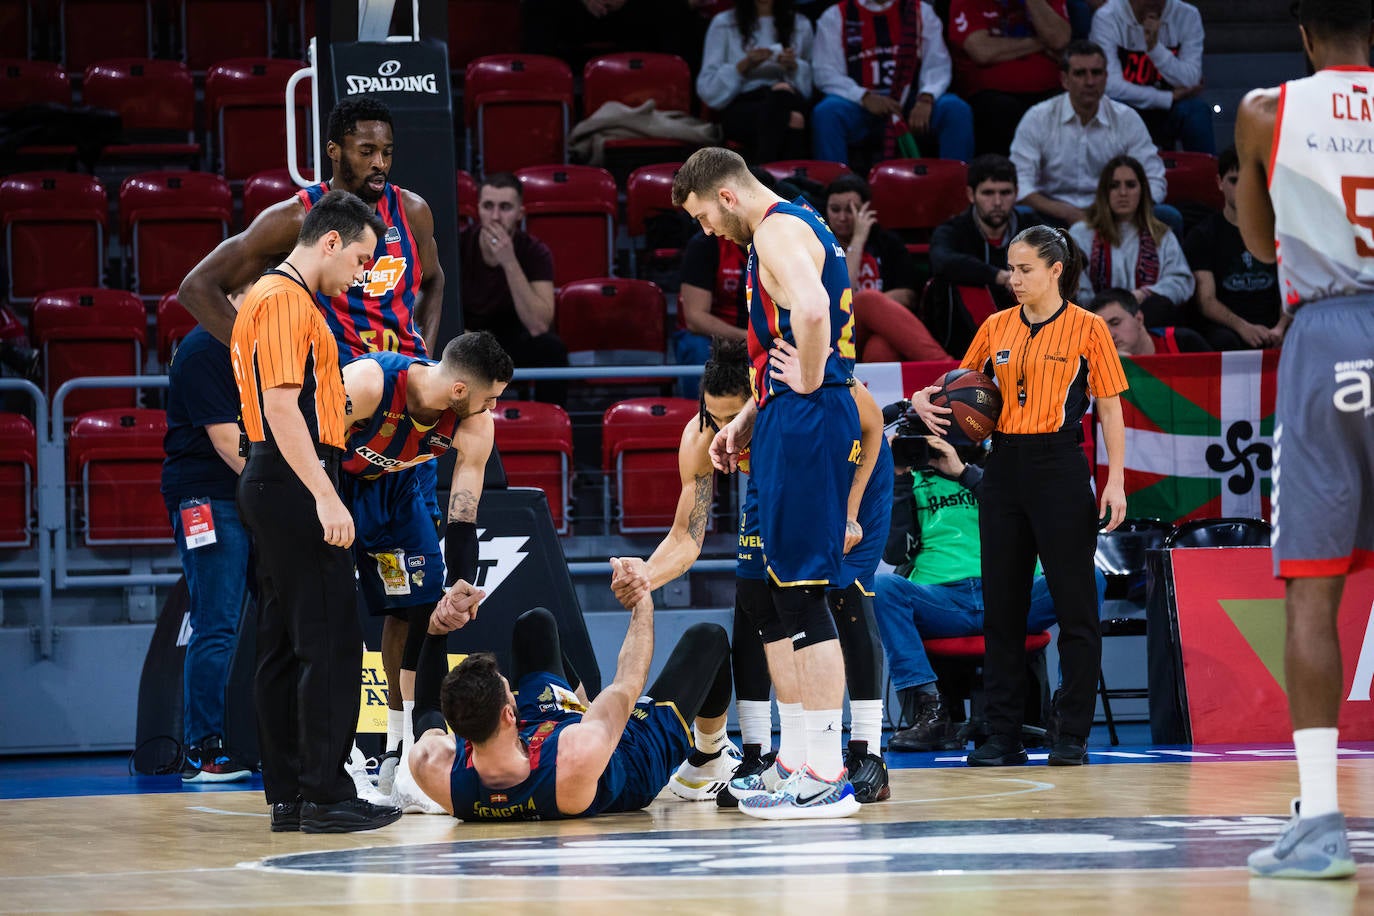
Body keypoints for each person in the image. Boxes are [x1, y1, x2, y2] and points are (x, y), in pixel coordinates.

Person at [611, 337, 894, 804]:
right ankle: (769, 753)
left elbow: (873, 425)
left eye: (733, 417)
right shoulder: (701, 437)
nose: (724, 429)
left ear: (760, 398)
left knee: (839, 592)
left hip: (852, 473)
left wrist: (849, 510)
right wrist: (646, 576)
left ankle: (867, 751)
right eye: (714, 417)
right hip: (783, 478)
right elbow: (686, 537)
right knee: (756, 594)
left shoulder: (797, 388)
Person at [673, 147, 861, 818]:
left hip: (810, 416)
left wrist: (804, 382)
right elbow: (794, 330)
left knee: (805, 593)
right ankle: (803, 760)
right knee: (784, 596)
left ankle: (829, 770)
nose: (705, 232)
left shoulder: (778, 229)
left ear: (725, 196)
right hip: (789, 414)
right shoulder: (790, 228)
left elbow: (813, 314)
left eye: (702, 216)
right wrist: (752, 413)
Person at [1234, 0, 1372, 880]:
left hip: (1327, 335)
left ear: (1304, 35)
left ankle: (1320, 819)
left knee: (1313, 591)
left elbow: (1252, 240)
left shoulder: (1265, 109)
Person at [910, 224, 1128, 768]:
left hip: (1060, 466)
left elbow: (1109, 408)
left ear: (1057, 271)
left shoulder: (1089, 329)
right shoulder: (995, 325)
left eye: (1026, 269)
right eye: (1011, 267)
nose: (1014, 278)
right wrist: (923, 396)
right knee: (1002, 611)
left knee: (1076, 607)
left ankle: (1071, 732)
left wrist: (1116, 479)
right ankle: (1002, 736)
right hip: (1003, 466)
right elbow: (962, 386)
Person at [230, 189, 402, 833]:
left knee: (282, 644)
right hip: (294, 479)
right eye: (360, 258)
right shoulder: (283, 300)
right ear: (330, 241)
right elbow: (281, 408)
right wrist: (325, 494)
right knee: (329, 643)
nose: (362, 273)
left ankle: (293, 795)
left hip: (276, 480)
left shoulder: (273, 298)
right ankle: (325, 794)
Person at [403, 564, 735, 821]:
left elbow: (427, 712)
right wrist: (642, 598)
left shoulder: (434, 767)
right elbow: (627, 683)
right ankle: (708, 759)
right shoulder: (579, 752)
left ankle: (584, 705)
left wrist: (436, 630)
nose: (513, 692)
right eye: (509, 691)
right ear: (508, 713)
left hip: (546, 729)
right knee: (708, 638)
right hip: (627, 757)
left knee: (535, 624)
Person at [337, 331, 513, 801]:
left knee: (420, 612)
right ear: (460, 391)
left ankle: (401, 749)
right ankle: (341, 756)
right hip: (337, 484)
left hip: (401, 491)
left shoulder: (473, 423)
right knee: (331, 616)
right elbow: (307, 441)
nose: (494, 408)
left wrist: (460, 584)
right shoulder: (369, 383)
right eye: (490, 398)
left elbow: (463, 512)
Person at [876, 428, 1107, 750]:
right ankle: (931, 711)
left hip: (1014, 595)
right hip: (944, 601)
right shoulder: (912, 481)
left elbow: (1021, 512)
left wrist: (962, 472)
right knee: (883, 586)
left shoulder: (1003, 473)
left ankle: (1065, 710)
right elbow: (895, 553)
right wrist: (898, 477)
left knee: (1091, 577)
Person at [180, 95, 443, 361]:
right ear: (334, 151)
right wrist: (259, 359)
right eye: (366, 152)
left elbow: (434, 281)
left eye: (386, 152)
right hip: (337, 386)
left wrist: (426, 357)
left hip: (404, 380)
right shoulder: (296, 218)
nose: (380, 163)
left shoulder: (412, 212)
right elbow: (197, 287)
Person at [160, 283, 254, 783]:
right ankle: (203, 750)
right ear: (240, 290)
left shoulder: (251, 347)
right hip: (206, 499)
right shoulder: (202, 349)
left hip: (243, 496)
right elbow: (224, 441)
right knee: (215, 621)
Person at [1010, 40, 1180, 235]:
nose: (1090, 81)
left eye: (1096, 73)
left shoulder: (1127, 119)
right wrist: (1065, 211)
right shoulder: (1038, 117)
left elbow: (1154, 179)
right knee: (1020, 216)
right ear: (1065, 80)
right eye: (1080, 73)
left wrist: (1115, 210)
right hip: (1053, 214)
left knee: (1167, 216)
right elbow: (1019, 183)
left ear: (1106, 77)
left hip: (1115, 213)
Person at [811, 0, 975, 166]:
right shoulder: (835, 15)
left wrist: (926, 97)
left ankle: (957, 186)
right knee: (827, 112)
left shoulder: (920, 11)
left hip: (912, 102)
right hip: (859, 105)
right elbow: (825, 71)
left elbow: (937, 64)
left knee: (955, 109)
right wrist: (863, 97)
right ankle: (834, 187)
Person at [457, 172, 569, 404]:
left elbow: (538, 325)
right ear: (477, 209)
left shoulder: (535, 252)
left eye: (505, 207)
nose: (495, 216)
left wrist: (509, 261)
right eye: (488, 206)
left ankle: (550, 423)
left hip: (515, 340)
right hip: (470, 339)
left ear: (520, 214)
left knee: (551, 348)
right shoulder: (458, 246)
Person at [823, 174, 949, 363]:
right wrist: (857, 240)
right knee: (867, 299)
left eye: (852, 210)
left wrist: (871, 312)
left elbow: (908, 296)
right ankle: (944, 366)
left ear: (866, 210)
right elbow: (842, 295)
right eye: (835, 209)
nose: (842, 217)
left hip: (873, 333)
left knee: (881, 347)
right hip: (833, 334)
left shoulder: (887, 243)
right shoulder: (820, 244)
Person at [928, 154, 1045, 355]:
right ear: (971, 195)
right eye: (988, 193)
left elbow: (1069, 253)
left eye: (1005, 193)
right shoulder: (953, 230)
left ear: (1016, 193)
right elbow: (941, 261)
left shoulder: (1031, 225)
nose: (997, 202)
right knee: (961, 278)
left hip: (1029, 332)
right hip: (964, 342)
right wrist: (998, 276)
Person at [1068, 155, 1194, 327]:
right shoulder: (1081, 234)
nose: (1123, 193)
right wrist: (1110, 309)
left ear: (1142, 190)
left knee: (1160, 306)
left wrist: (1144, 294)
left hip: (1147, 319)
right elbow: (1075, 286)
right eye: (1114, 186)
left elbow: (1181, 281)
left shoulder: (1161, 234)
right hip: (1095, 321)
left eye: (1131, 185)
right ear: (1104, 192)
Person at [1183, 147, 1286, 351]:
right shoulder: (1203, 235)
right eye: (1234, 180)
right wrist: (1243, 327)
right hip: (1228, 329)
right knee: (1223, 340)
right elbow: (1206, 300)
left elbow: (1292, 288)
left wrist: (1280, 328)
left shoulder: (1280, 232)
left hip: (1275, 325)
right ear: (1219, 183)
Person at [946, 0, 1072, 157]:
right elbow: (982, 52)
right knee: (1002, 110)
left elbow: (1059, 39)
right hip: (991, 95)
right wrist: (1040, 42)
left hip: (1050, 89)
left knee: (1069, 105)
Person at [696, 0, 815, 163]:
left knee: (783, 96)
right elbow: (708, 89)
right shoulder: (724, 23)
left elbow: (810, 87)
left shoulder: (801, 24)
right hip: (742, 103)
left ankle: (764, 176)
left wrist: (794, 66)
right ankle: (787, 180)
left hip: (790, 98)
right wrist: (744, 66)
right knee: (793, 119)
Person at [1089, 0, 1212, 153]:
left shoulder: (1187, 15)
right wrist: (1168, 97)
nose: (1153, 2)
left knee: (1196, 111)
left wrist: (1154, 49)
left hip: (1171, 111)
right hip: (1126, 105)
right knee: (1107, 108)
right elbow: (1109, 85)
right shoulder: (1107, 17)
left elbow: (1191, 78)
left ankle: (1206, 174)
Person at [1089, 287, 1208, 355]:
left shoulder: (1184, 343)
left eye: (1115, 323)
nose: (1110, 335)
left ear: (1139, 319)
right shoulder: (1096, 367)